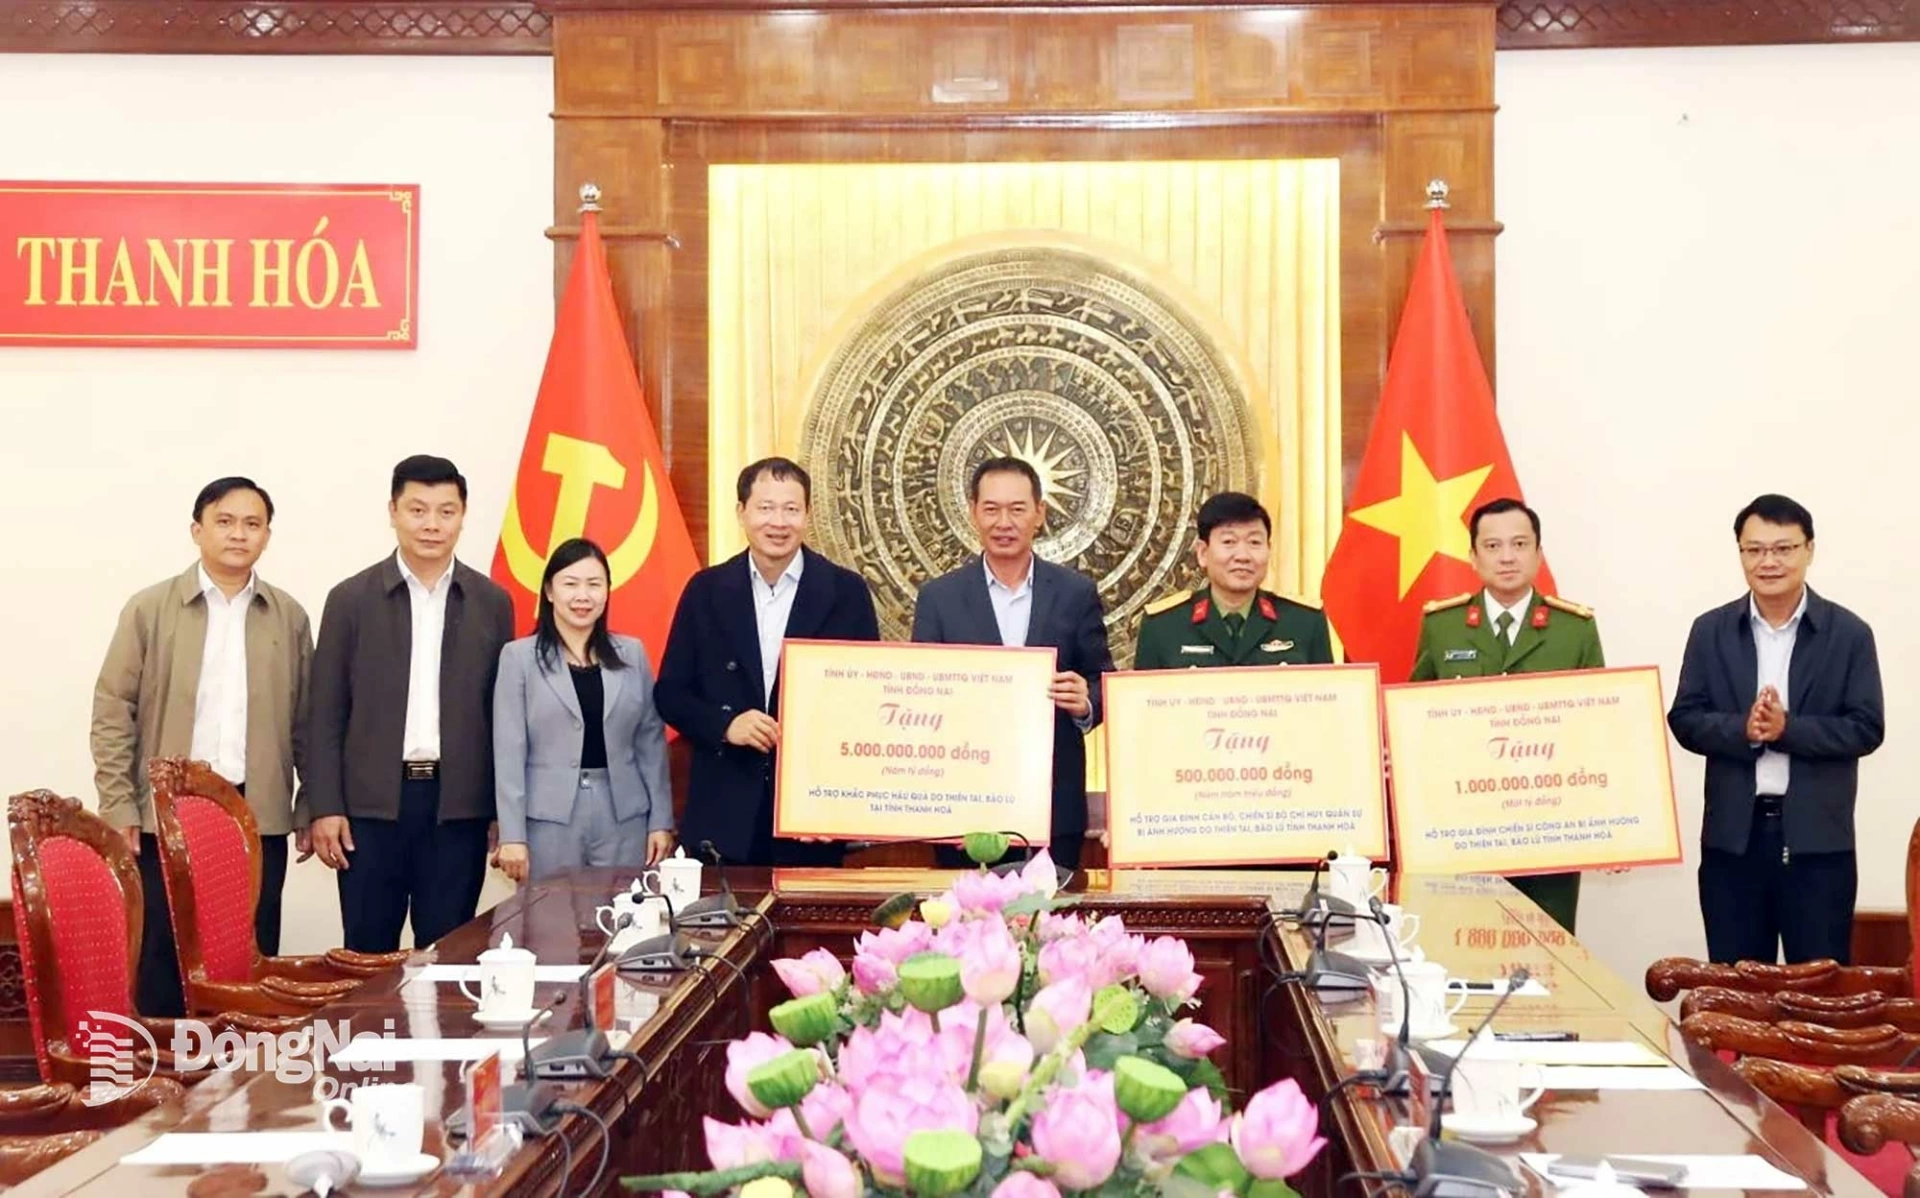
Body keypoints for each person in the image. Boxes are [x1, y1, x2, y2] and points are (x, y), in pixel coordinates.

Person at [91, 477, 312, 1016]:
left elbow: (309, 721)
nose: (239, 534)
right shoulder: (151, 609)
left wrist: (309, 806)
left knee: (251, 960)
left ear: (266, 536)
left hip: (256, 816)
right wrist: (120, 804)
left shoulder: (287, 615)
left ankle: (242, 1090)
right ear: (198, 530)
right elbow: (113, 710)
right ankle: (166, 1089)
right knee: (163, 960)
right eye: (225, 521)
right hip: (165, 817)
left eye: (252, 524)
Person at [306, 455, 516, 952]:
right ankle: (369, 1036)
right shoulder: (350, 599)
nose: (432, 524)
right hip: (368, 812)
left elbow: (503, 717)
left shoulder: (491, 602)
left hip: (457, 810)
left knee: (447, 954)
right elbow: (324, 713)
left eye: (446, 511)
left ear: (463, 516)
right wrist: (325, 807)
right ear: (393, 512)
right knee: (366, 952)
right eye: (418, 509)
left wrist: (501, 810)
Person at [1669, 494, 1884, 965]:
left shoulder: (1848, 634)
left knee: (1819, 994)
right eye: (1754, 550)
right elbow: (1684, 717)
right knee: (1738, 992)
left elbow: (1866, 728)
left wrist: (1787, 730)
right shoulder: (1711, 631)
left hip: (1818, 846)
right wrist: (1743, 730)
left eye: (1783, 548)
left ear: (1810, 550)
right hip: (1733, 843)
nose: (1769, 562)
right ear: (1741, 554)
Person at [655, 457, 879, 866]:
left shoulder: (846, 593)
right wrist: (726, 724)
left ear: (808, 515)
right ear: (741, 512)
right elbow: (670, 693)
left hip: (811, 816)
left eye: (791, 509)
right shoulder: (706, 591)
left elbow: (864, 702)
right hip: (723, 814)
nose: (779, 522)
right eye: (765, 508)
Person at [1408, 497, 1602, 934]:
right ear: (1473, 557)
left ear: (1538, 552)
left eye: (1519, 544)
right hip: (1464, 826)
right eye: (1493, 546)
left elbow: (1597, 733)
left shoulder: (1575, 629)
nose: (1508, 556)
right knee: (1465, 949)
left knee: (1550, 955)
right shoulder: (1443, 625)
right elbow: (1416, 722)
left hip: (1550, 828)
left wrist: (1615, 825)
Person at [911, 456, 1115, 871]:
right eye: (991, 509)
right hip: (962, 808)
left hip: (1053, 806)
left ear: (1039, 513)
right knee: (965, 929)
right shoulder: (939, 598)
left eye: (1017, 509)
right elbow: (921, 692)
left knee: (1050, 929)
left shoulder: (1076, 593)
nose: (1004, 522)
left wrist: (1086, 702)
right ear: (972, 513)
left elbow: (1104, 682)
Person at [492, 538, 674, 882]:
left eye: (594, 584)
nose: (583, 596)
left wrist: (661, 820)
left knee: (627, 919)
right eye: (570, 584)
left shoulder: (631, 653)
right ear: (549, 591)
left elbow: (650, 743)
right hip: (548, 820)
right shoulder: (518, 658)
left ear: (607, 591)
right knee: (550, 924)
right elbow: (509, 751)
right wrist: (512, 834)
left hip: (624, 816)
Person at [1135, 491, 1334, 669]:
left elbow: (1327, 704)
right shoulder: (1162, 625)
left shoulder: (1304, 621)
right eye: (1229, 542)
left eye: (1254, 542)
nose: (1243, 555)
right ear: (1203, 553)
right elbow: (1143, 706)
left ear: (1268, 549)